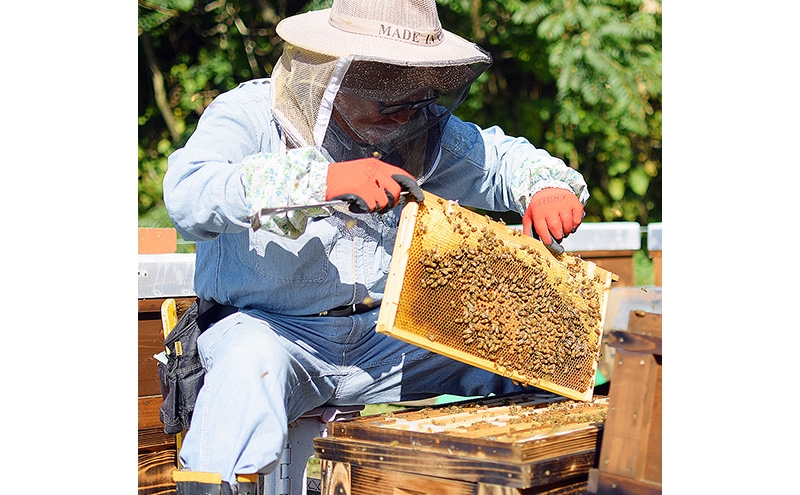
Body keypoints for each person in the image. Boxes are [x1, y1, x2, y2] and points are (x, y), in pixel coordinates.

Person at [163, 0, 588, 493]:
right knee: (248, 366)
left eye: (418, 89)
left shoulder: (420, 128)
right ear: (340, 73)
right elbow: (189, 194)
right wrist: (324, 180)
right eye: (389, 90)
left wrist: (547, 187)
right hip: (270, 331)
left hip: (383, 337)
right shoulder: (251, 115)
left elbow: (502, 161)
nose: (408, 106)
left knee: (540, 358)